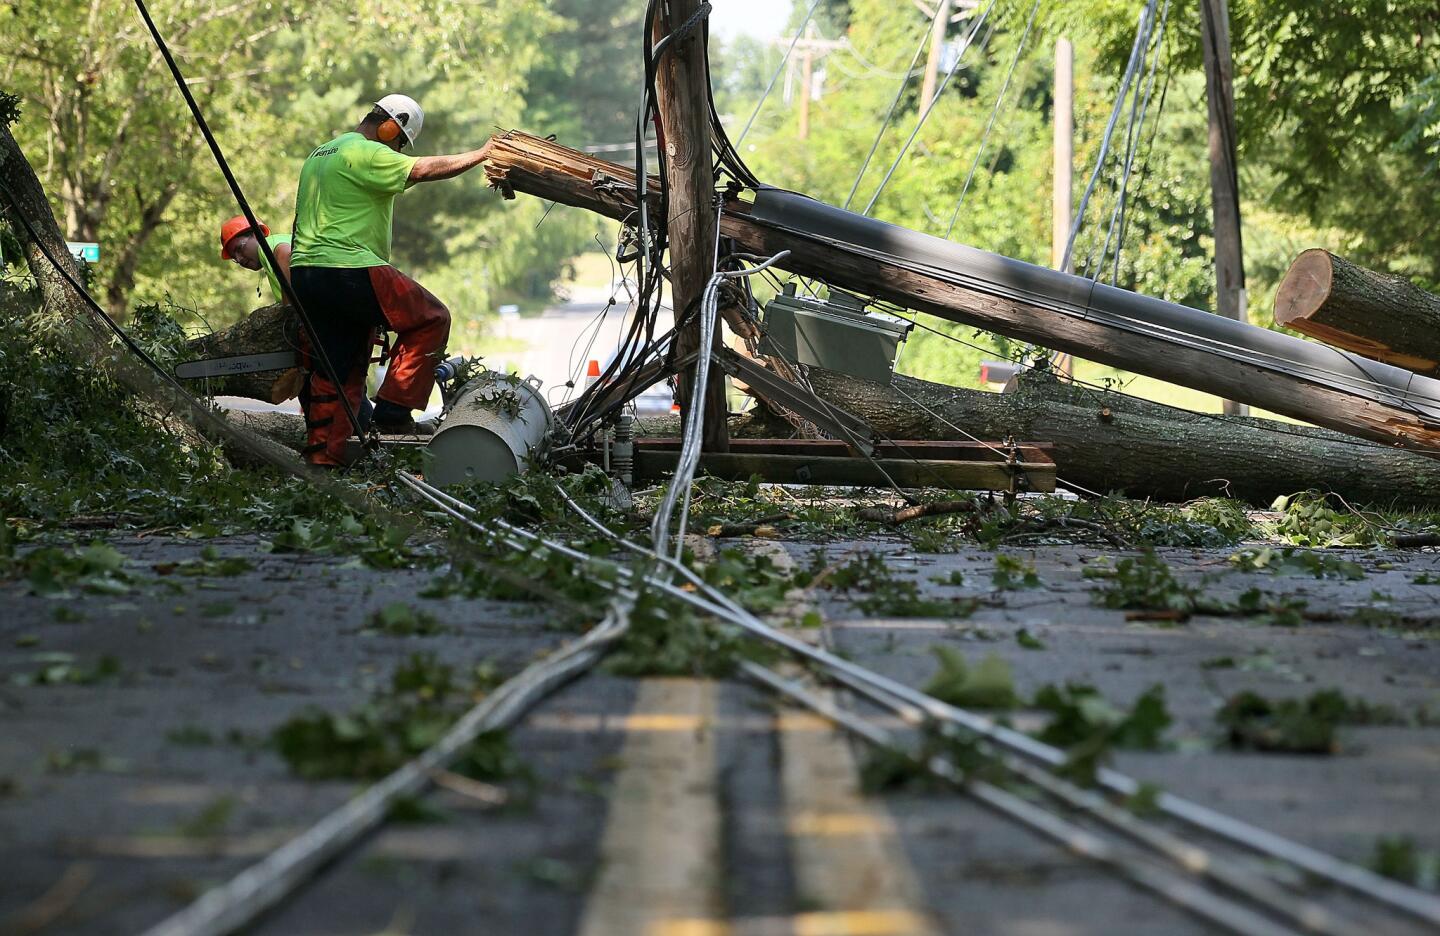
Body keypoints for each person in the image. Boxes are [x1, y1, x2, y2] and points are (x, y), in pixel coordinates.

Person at [288, 93, 492, 466]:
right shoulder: (363, 151)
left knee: (338, 370)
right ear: (388, 126)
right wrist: (480, 154)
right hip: (347, 266)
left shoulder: (319, 155)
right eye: (399, 141)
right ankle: (393, 415)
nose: (397, 150)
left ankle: (322, 464)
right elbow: (423, 169)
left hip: (305, 273)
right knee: (431, 318)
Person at [219, 216, 292, 304]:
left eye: (239, 248)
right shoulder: (281, 240)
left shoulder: (265, 247)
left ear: (257, 235)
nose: (239, 259)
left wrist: (289, 308)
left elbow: (285, 253)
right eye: (234, 257)